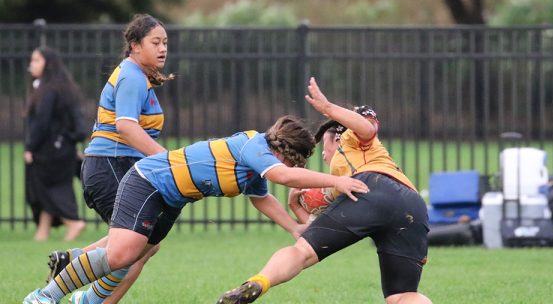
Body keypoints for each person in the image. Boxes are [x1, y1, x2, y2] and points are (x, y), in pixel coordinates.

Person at [23, 115, 369, 304]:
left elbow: (262, 196)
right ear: (284, 152)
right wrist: (335, 181)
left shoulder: (254, 165)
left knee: (137, 254)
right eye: (294, 161)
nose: (292, 168)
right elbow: (282, 176)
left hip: (171, 199)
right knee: (121, 253)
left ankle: (84, 298)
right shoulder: (255, 147)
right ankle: (43, 297)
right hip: (150, 181)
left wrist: (293, 229)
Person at [216, 77, 431, 304]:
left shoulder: (351, 138)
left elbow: (367, 127)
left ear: (336, 137)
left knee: (300, 253)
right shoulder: (344, 183)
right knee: (401, 295)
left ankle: (260, 282)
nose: (323, 154)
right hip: (413, 206)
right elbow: (321, 228)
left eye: (324, 145)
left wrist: (328, 108)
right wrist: (295, 207)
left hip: (374, 187)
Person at [43, 14, 173, 304]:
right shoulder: (131, 76)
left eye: (165, 42)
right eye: (155, 42)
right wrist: (168, 159)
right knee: (133, 248)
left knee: (143, 245)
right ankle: (74, 288)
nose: (163, 48)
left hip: (115, 166)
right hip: (110, 166)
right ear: (135, 45)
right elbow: (126, 127)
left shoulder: (137, 76)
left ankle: (75, 265)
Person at [24, 46, 87, 242]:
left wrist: (30, 147)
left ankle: (73, 222)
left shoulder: (48, 90)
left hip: (49, 151)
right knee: (49, 188)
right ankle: (42, 232)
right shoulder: (63, 88)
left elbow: (42, 123)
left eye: (36, 60)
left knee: (48, 188)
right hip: (63, 149)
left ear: (48, 64)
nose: (31, 65)